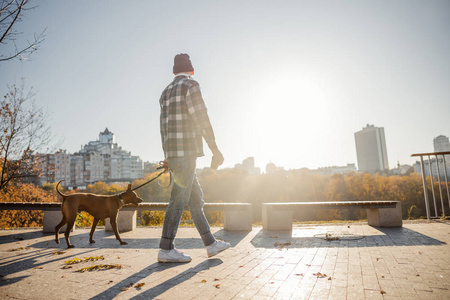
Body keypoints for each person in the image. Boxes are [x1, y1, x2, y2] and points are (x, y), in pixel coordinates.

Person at [157, 53, 231, 263]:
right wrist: (215, 149)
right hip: (187, 152)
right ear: (191, 70)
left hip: (173, 154)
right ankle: (166, 247)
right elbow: (201, 118)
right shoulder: (191, 86)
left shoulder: (165, 93)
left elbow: (163, 128)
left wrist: (167, 156)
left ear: (174, 71)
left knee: (195, 200)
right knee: (178, 200)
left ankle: (210, 244)